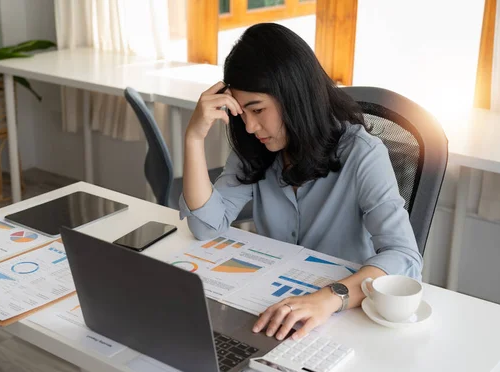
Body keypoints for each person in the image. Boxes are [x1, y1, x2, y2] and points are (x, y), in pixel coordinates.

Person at [179, 23, 422, 342]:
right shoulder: (257, 148)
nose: (250, 127)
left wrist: (329, 297)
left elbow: (404, 257)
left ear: (293, 96)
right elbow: (205, 227)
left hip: (345, 316)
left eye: (258, 110)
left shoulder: (362, 154)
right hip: (273, 307)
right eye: (243, 114)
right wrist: (194, 137)